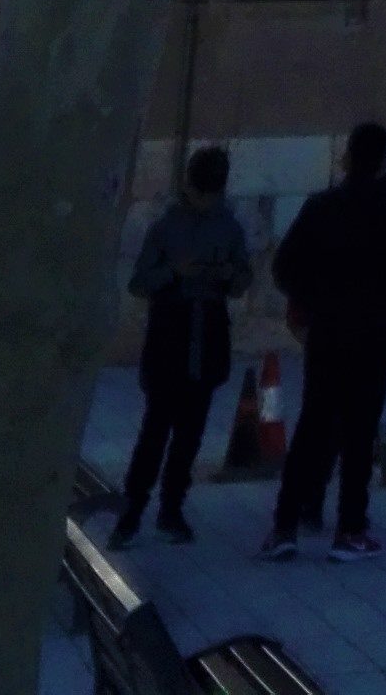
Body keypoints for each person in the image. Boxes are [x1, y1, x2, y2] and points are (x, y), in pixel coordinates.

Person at [258, 119, 386, 560]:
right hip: (374, 333)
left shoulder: (322, 207)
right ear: (383, 162)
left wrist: (314, 301)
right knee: (360, 430)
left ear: (347, 157)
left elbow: (286, 266)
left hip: (329, 331)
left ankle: (284, 526)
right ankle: (350, 528)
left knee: (312, 425)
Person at [111, 146, 254, 546]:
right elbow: (139, 283)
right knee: (155, 429)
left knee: (190, 432)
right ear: (188, 187)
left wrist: (227, 273)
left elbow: (242, 279)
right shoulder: (165, 228)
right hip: (170, 331)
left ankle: (171, 509)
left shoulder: (229, 227)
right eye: (202, 192)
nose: (207, 201)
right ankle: (131, 512)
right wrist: (173, 272)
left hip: (208, 331)